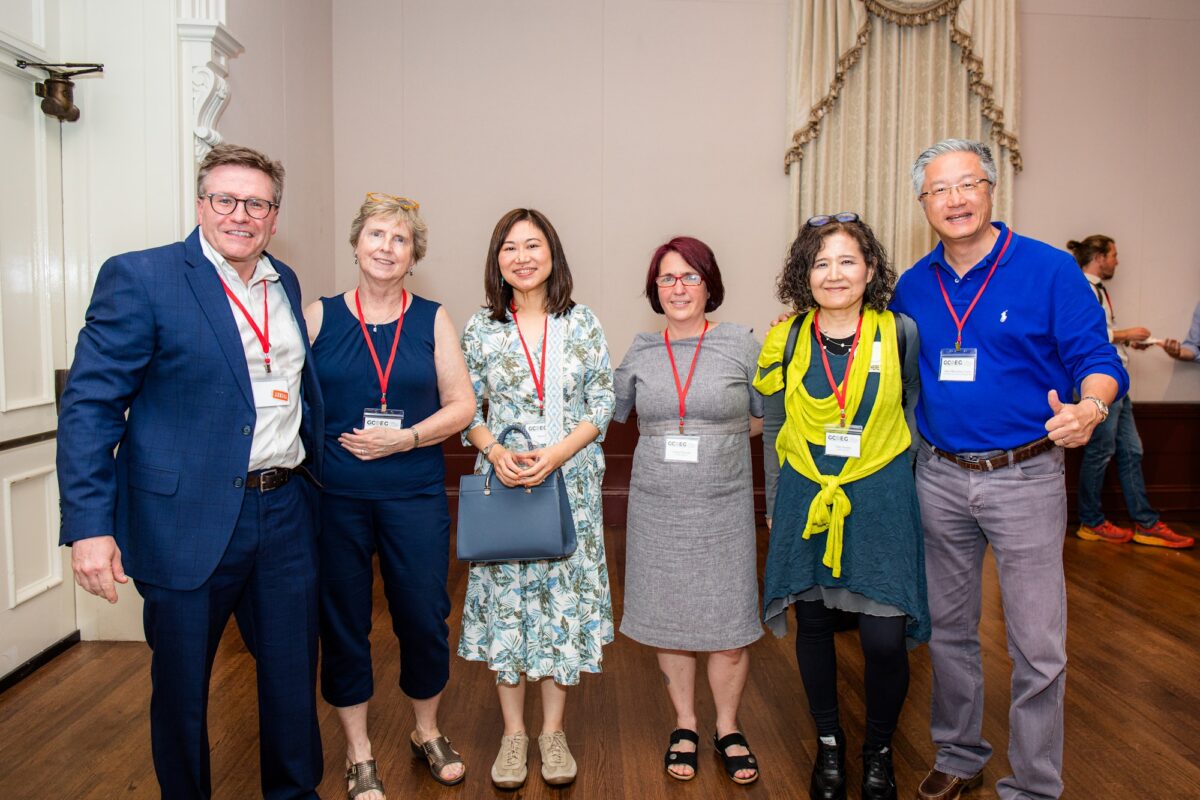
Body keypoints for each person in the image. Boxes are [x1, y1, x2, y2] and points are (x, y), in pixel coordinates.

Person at [57, 144, 326, 798]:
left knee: (292, 679)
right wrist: (89, 526)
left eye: (257, 203)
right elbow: (91, 406)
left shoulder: (285, 282)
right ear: (201, 205)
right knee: (182, 691)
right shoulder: (142, 277)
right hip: (184, 520)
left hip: (284, 511)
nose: (241, 215)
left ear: (275, 215)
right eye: (225, 199)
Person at [891, 139, 1128, 800]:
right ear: (924, 204)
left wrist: (1090, 407)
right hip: (938, 476)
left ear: (991, 190)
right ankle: (959, 754)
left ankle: (1034, 784)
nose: (956, 200)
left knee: (1037, 645)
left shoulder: (1050, 270)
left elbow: (1100, 361)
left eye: (968, 184)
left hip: (1025, 477)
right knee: (948, 631)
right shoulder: (913, 285)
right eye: (940, 190)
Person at [303, 193, 476, 798]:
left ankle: (427, 731)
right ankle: (359, 750)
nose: (386, 247)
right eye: (376, 235)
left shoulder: (432, 318)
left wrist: (407, 438)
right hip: (335, 499)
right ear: (356, 244)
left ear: (413, 255)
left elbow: (462, 405)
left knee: (424, 618)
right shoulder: (319, 316)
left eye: (400, 239)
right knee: (343, 620)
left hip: (413, 495)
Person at [756, 213, 927, 800]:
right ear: (804, 274)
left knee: (884, 638)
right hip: (806, 492)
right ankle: (828, 744)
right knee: (814, 625)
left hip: (881, 496)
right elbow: (773, 425)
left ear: (870, 269)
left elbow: (912, 405)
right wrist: (775, 503)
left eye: (847, 261)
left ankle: (878, 749)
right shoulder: (785, 338)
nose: (834, 274)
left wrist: (901, 478)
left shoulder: (900, 332)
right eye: (820, 262)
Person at [459, 208, 616, 789]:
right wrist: (495, 450)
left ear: (553, 253)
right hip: (504, 484)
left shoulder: (583, 322)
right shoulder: (482, 327)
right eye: (510, 247)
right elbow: (465, 407)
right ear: (496, 259)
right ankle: (513, 735)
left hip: (569, 483)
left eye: (533, 245)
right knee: (508, 608)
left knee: (560, 609)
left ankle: (552, 732)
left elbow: (603, 401)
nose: (522, 257)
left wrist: (558, 453)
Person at [613, 236, 765, 786]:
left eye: (690, 276)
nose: (678, 288)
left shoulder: (741, 344)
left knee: (729, 627)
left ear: (709, 284)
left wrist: (719, 439)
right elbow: (609, 412)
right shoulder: (640, 350)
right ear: (655, 289)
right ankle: (685, 723)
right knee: (670, 621)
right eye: (667, 278)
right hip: (658, 509)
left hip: (723, 507)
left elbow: (767, 416)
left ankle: (727, 727)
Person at [1066, 235, 1193, 548]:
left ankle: (1145, 522)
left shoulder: (1100, 290)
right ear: (1099, 257)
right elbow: (1080, 334)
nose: (1117, 261)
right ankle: (1091, 521)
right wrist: (1125, 333)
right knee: (1100, 452)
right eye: (1114, 255)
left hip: (1118, 383)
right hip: (1100, 388)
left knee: (1131, 451)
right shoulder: (1079, 287)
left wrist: (1128, 342)